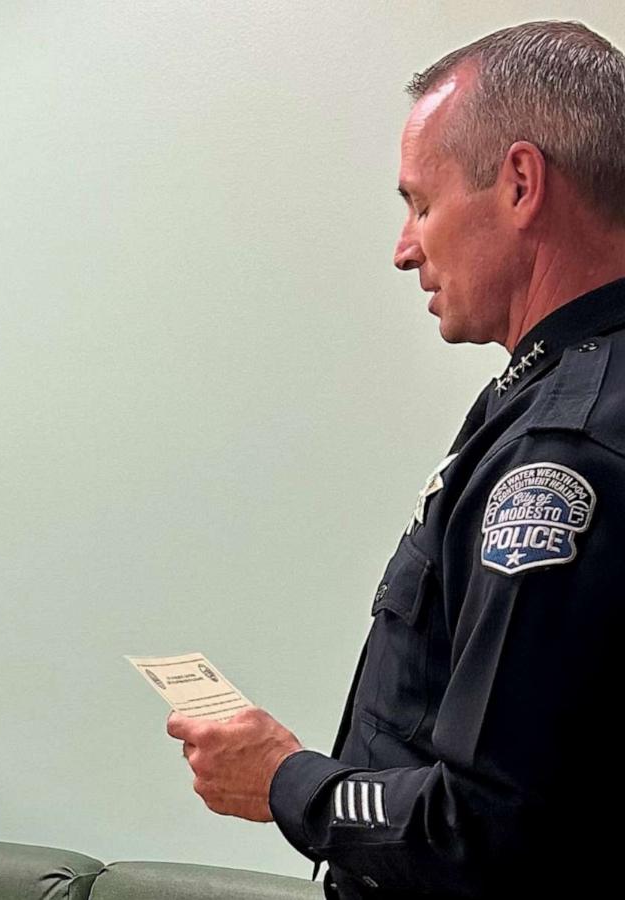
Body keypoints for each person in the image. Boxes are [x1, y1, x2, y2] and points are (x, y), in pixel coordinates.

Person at [166, 20, 625, 898]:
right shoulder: (550, 393)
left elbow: (481, 826)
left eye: (420, 202)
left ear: (521, 184)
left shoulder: (561, 451)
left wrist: (284, 779)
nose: (405, 246)